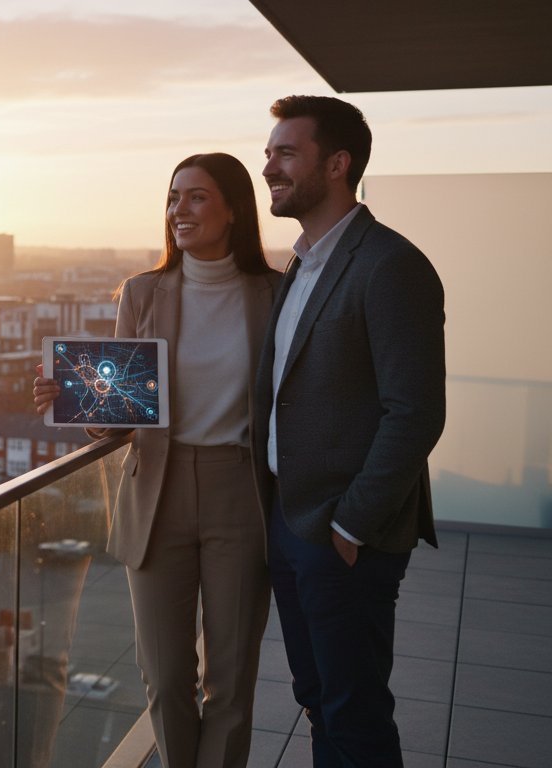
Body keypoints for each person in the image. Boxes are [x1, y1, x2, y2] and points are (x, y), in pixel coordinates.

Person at [33, 152, 280, 768]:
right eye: (174, 198)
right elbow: (116, 417)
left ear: (233, 209)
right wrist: (74, 397)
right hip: (157, 494)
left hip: (241, 493)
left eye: (197, 197)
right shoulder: (143, 293)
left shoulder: (275, 293)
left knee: (230, 679)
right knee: (166, 677)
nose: (180, 210)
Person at [254, 95, 446, 767]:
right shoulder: (302, 262)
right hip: (290, 518)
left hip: (344, 536)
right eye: (269, 151)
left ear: (338, 165)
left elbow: (415, 411)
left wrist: (350, 526)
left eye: (285, 153)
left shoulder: (390, 265)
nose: (268, 165)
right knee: (317, 698)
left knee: (354, 711)